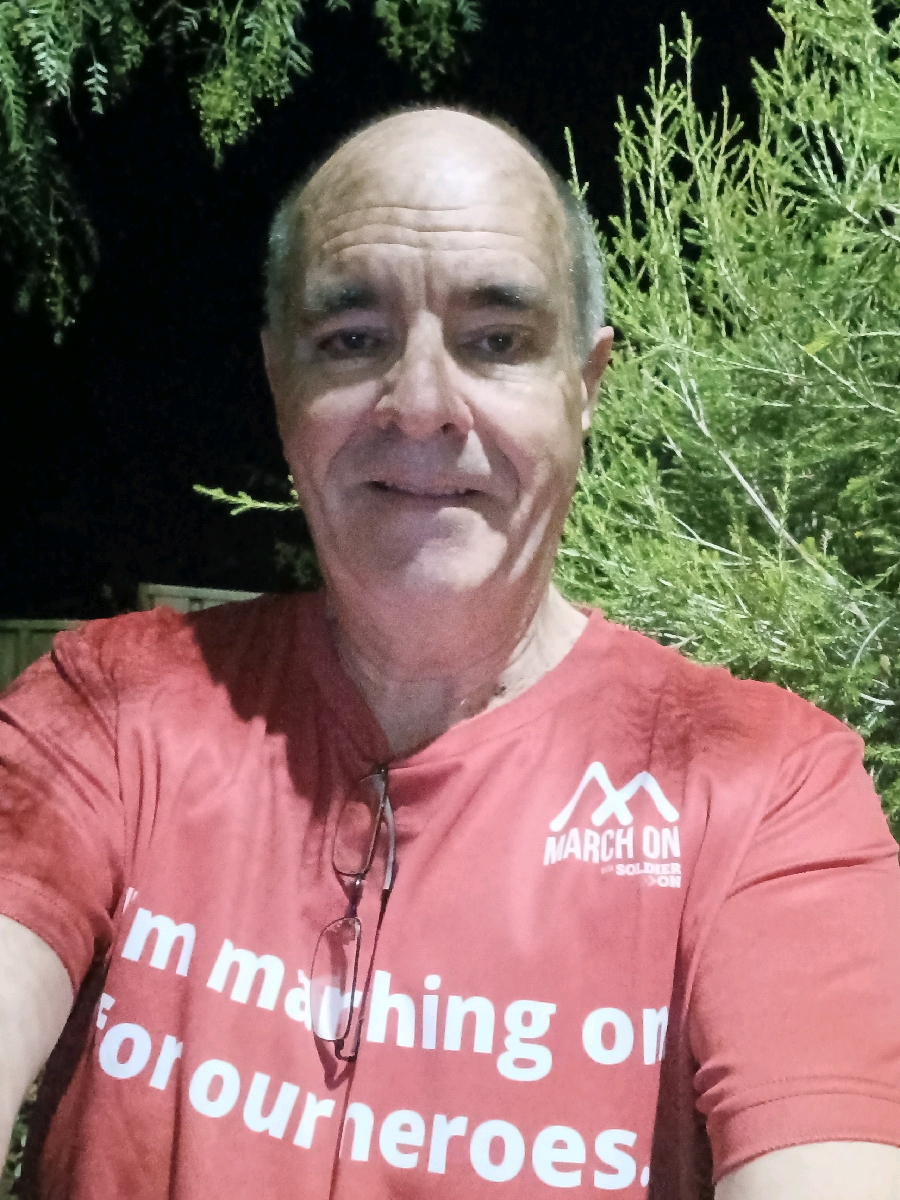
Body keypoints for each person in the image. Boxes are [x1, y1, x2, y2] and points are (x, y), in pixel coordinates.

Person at [1, 106, 899, 1200]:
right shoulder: (108, 710)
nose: (422, 405)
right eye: (353, 338)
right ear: (280, 383)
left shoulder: (765, 788)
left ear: (585, 386)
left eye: (498, 341)